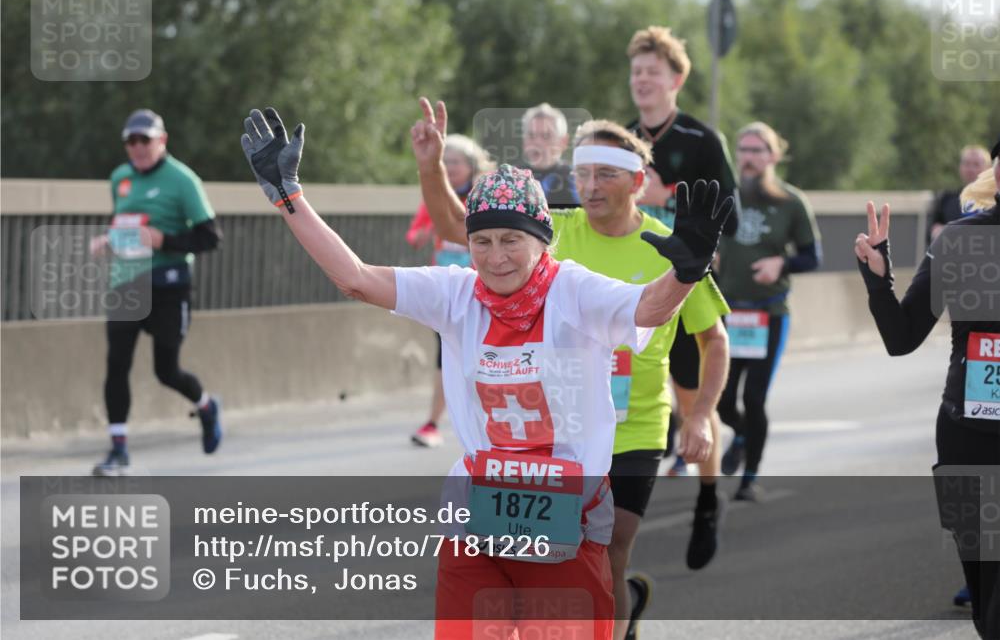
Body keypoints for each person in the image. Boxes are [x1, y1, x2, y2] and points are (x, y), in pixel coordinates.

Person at [241, 106, 731, 639]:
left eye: (511, 240)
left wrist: (686, 271)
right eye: (482, 241)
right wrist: (288, 198)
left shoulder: (573, 289)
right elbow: (356, 278)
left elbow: (650, 308)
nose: (496, 258)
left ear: (542, 240)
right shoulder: (455, 293)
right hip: (477, 522)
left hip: (565, 526)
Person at [412, 99, 732, 640]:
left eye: (606, 173)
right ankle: (613, 608)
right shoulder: (555, 231)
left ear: (637, 180)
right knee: (566, 557)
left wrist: (700, 415)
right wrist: (431, 167)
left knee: (610, 547)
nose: (590, 185)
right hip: (559, 435)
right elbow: (457, 227)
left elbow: (714, 340)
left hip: (634, 427)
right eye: (582, 173)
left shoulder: (669, 245)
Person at [854, 137, 999, 640]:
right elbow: (902, 338)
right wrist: (879, 280)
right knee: (984, 601)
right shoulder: (959, 240)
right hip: (966, 435)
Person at [625, 25, 741, 577]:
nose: (642, 80)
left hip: (687, 288)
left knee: (696, 405)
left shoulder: (700, 141)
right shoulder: (622, 140)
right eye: (636, 72)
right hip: (632, 287)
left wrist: (666, 195)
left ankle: (708, 500)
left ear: (676, 80)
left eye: (653, 72)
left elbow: (733, 218)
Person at [88, 109, 222, 476]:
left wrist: (164, 240)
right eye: (130, 141)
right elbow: (126, 223)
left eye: (144, 139)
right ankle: (118, 450)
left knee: (166, 370)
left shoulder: (183, 180)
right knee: (117, 364)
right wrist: (108, 239)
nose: (137, 147)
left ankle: (206, 406)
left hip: (169, 286)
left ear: (162, 140)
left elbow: (211, 237)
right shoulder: (120, 178)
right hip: (126, 283)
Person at [715, 122, 822, 501]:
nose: (748, 157)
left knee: (755, 398)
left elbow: (812, 256)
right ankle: (742, 433)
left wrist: (781, 264)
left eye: (757, 150)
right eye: (743, 150)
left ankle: (750, 478)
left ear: (773, 156)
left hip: (769, 313)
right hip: (727, 312)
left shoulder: (791, 202)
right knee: (722, 400)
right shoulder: (726, 197)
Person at [406, 134, 493, 447]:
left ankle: (489, 424)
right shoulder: (434, 197)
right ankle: (432, 423)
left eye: (456, 162)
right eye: (446, 162)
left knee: (482, 357)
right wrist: (435, 224)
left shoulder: (485, 195)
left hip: (485, 293)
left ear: (472, 165)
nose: (451, 167)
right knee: (447, 355)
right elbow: (414, 238)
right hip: (447, 293)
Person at [927, 145, 991, 243]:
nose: (971, 169)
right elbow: (930, 233)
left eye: (976, 164)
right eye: (967, 164)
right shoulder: (946, 198)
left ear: (988, 169)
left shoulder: (994, 200)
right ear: (960, 167)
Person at [520, 103, 579, 209]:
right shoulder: (510, 180)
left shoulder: (576, 181)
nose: (537, 142)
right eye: (531, 135)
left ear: (563, 142)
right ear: (524, 141)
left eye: (546, 136)